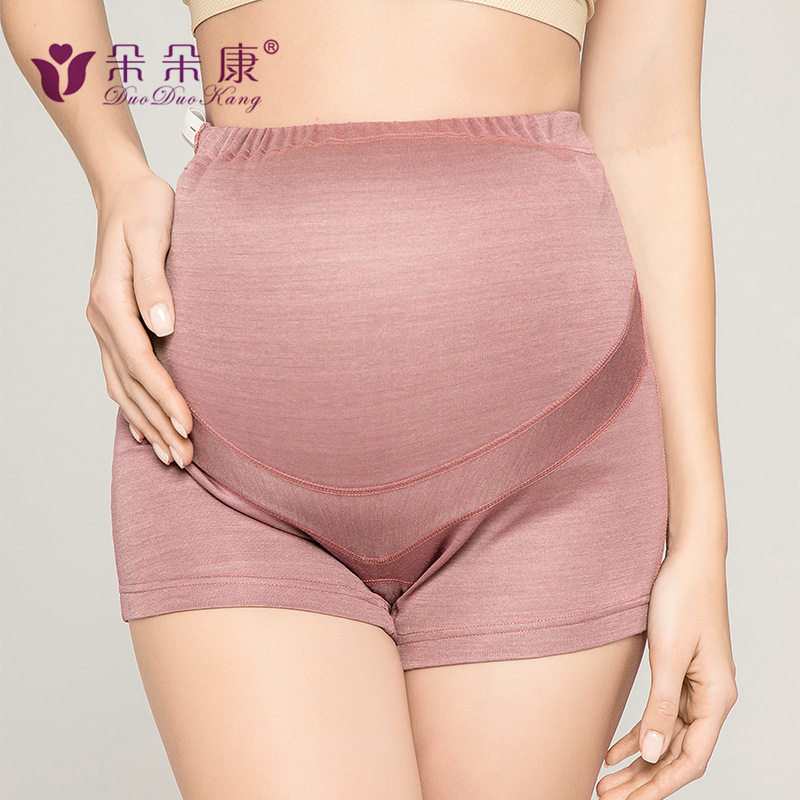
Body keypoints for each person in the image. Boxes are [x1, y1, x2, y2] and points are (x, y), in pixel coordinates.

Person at [1, 1, 738, 797]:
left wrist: (702, 540)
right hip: (225, 468)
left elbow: (650, 137)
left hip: (551, 477)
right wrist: (113, 173)